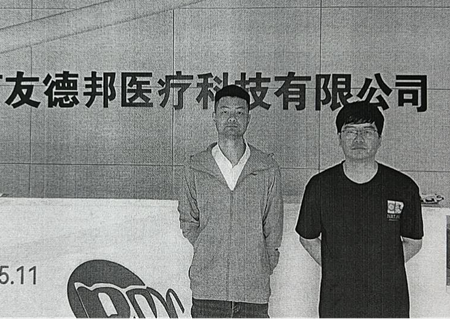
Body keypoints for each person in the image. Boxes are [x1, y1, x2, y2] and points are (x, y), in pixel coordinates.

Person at [295, 101, 423, 319]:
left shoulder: (403, 187)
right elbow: (307, 238)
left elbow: (413, 242)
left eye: (367, 131)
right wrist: (339, 268)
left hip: (389, 302)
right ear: (339, 138)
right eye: (350, 131)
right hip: (337, 302)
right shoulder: (320, 186)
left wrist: (378, 269)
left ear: (380, 139)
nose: (359, 139)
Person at [177, 84, 283, 319]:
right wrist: (209, 248)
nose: (232, 118)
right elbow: (188, 221)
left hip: (252, 293)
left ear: (248, 118)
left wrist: (262, 264)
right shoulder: (196, 166)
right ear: (214, 117)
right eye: (225, 112)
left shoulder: (266, 167)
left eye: (239, 112)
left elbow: (273, 226)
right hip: (208, 291)